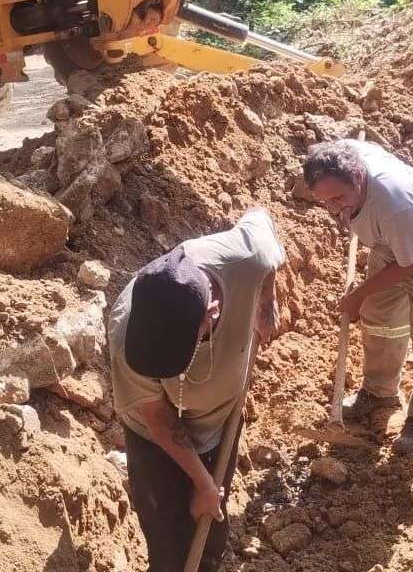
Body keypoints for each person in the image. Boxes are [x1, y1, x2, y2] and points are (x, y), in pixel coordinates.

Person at [109, 209, 284, 572]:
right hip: (152, 433)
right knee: (167, 535)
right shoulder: (127, 327)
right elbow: (156, 416)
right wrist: (202, 483)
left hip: (219, 421)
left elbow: (261, 221)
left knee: (211, 529)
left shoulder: (246, 258)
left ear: (212, 313)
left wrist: (266, 297)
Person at [302, 139, 413, 454]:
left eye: (339, 198)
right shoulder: (344, 157)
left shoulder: (395, 207)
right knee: (379, 315)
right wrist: (364, 298)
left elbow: (412, 264)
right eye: (326, 201)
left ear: (358, 177)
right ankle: (379, 392)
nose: (335, 208)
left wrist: (358, 294)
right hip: (391, 243)